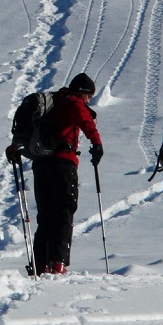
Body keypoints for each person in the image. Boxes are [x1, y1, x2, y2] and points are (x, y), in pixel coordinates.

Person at [10, 72, 103, 276]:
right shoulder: (73, 101)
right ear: (82, 92)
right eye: (89, 96)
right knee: (64, 212)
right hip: (63, 163)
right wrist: (97, 143)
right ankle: (58, 262)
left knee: (46, 215)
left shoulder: (52, 103)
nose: (89, 101)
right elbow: (86, 120)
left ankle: (40, 264)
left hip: (41, 163)